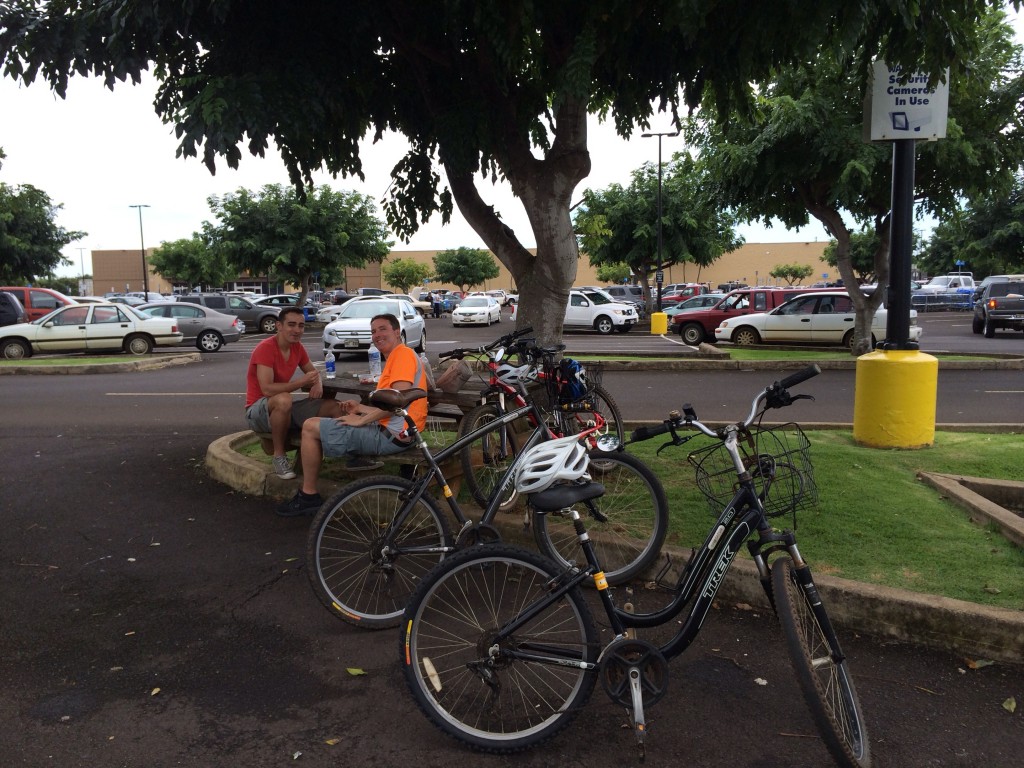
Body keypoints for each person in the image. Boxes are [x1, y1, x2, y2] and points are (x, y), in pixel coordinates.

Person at [276, 313, 429, 517]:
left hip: (393, 435)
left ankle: (308, 496)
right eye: (373, 331)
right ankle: (351, 460)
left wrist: (362, 419)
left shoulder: (402, 355)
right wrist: (359, 408)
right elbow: (397, 406)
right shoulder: (399, 356)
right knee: (334, 414)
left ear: (396, 331)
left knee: (311, 426)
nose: (377, 335)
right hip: (401, 430)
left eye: (383, 329)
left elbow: (396, 399)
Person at [245, 306, 343, 480]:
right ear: (279, 326)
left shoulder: (297, 347)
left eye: (301, 325)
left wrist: (318, 383)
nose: (297, 330)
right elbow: (267, 389)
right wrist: (301, 383)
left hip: (283, 410)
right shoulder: (265, 348)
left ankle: (350, 455)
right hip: (258, 411)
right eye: (291, 324)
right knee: (283, 399)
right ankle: (279, 456)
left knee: (334, 406)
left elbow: (312, 372)